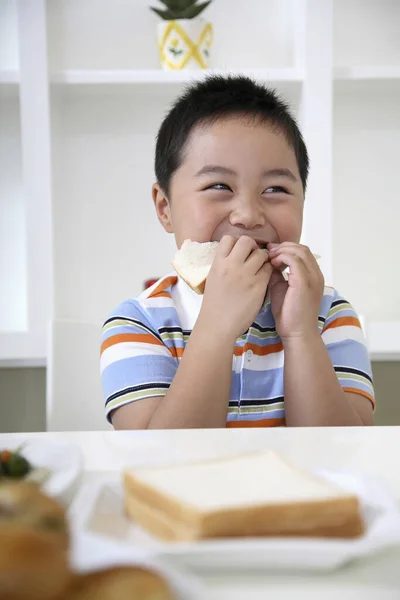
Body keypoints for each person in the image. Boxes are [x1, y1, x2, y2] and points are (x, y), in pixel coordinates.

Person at [100, 75, 374, 429]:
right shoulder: (137, 323)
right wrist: (217, 324)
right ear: (165, 208)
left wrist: (300, 333)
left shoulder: (330, 314)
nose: (247, 215)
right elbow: (156, 457)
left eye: (275, 188)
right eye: (218, 186)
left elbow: (344, 450)